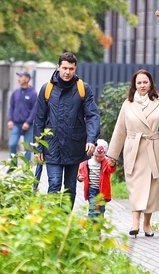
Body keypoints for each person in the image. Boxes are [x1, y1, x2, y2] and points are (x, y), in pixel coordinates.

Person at [107, 68, 159, 237]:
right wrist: (112, 155)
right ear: (134, 85)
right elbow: (120, 130)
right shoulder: (127, 104)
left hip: (154, 148)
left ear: (151, 83)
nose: (142, 85)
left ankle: (147, 223)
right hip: (134, 148)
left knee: (153, 186)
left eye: (145, 82)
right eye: (139, 82)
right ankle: (134, 223)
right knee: (136, 185)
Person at [33, 51, 100, 208]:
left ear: (75, 68)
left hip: (74, 146)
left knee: (70, 189)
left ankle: (64, 223)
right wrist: (39, 147)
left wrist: (91, 139)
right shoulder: (47, 89)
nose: (67, 72)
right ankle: (53, 223)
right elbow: (39, 119)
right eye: (64, 68)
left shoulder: (83, 89)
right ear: (58, 67)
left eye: (71, 68)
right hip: (52, 146)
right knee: (54, 185)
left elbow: (92, 116)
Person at [7, 71, 37, 165]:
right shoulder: (15, 93)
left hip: (29, 126)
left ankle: (26, 168)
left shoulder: (33, 93)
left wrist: (28, 122)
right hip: (16, 124)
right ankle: (12, 165)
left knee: (27, 147)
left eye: (21, 76)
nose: (19, 78)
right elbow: (11, 107)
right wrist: (10, 120)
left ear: (27, 79)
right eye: (18, 76)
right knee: (12, 144)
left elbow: (35, 110)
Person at [77, 139, 113, 218]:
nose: (98, 158)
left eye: (101, 157)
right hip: (92, 190)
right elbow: (81, 172)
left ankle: (97, 228)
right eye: (96, 156)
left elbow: (111, 170)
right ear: (93, 153)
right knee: (93, 208)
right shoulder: (87, 163)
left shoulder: (106, 163)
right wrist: (80, 177)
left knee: (100, 210)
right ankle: (91, 227)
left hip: (102, 191)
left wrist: (112, 164)